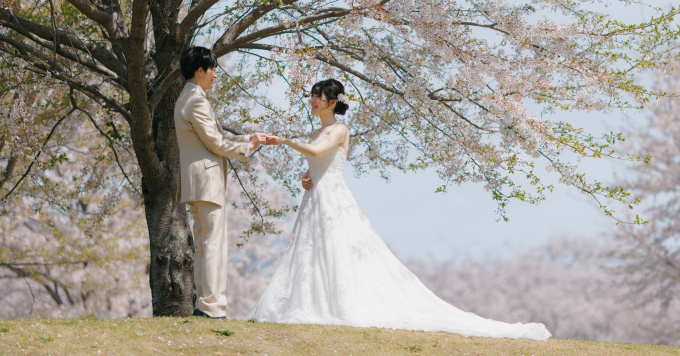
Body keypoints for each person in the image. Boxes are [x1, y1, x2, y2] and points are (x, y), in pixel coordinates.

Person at [247, 78, 551, 340]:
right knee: (309, 249)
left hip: (334, 199)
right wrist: (306, 176)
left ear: (331, 102)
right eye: (312, 96)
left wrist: (284, 140)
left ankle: (341, 303)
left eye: (318, 96)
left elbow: (315, 152)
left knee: (338, 248)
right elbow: (315, 160)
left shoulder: (339, 130)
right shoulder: (316, 133)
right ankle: (309, 303)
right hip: (315, 198)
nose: (313, 101)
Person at [174, 46, 272, 319]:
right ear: (200, 70)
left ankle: (205, 305)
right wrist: (247, 147)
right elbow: (215, 142)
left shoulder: (186, 98)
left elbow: (209, 138)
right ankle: (213, 307)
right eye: (213, 69)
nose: (216, 75)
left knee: (204, 246)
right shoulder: (196, 101)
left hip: (197, 182)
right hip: (206, 182)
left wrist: (249, 138)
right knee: (214, 245)